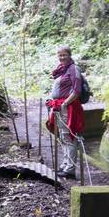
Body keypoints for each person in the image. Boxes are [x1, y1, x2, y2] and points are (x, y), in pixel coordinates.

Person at [45, 46, 86, 180]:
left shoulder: (74, 69)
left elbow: (76, 90)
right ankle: (65, 164)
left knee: (69, 137)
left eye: (64, 55)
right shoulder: (61, 70)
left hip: (69, 107)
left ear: (69, 55)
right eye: (60, 55)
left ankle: (70, 169)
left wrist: (64, 104)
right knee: (62, 137)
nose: (62, 57)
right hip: (59, 106)